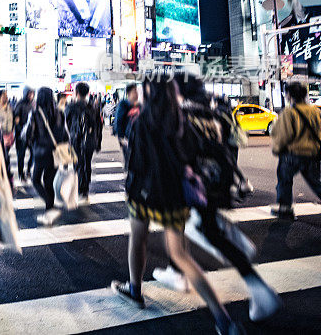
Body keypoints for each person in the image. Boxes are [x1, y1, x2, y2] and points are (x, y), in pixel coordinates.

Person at [111, 79, 242, 335]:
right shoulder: (182, 122)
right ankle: (223, 318)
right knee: (181, 255)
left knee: (138, 240)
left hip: (144, 195)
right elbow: (192, 158)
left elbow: (135, 164)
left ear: (149, 92)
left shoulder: (141, 122)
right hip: (173, 198)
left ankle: (135, 290)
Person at [178, 75, 282, 322]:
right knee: (201, 227)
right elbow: (223, 148)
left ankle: (256, 284)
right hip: (216, 180)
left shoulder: (183, 114)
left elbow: (183, 150)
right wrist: (236, 178)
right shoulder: (210, 112)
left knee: (206, 230)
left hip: (198, 182)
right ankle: (180, 268)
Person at [270, 81, 321, 220]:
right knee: (316, 182)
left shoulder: (289, 112)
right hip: (313, 153)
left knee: (284, 180)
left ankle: (285, 209)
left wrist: (277, 149)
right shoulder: (315, 111)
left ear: (289, 96)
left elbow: (282, 135)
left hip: (293, 154)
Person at [24, 87, 69, 225]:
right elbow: (65, 135)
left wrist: (32, 144)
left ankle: (50, 206)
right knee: (49, 182)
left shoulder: (35, 113)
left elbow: (28, 135)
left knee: (36, 180)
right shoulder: (60, 113)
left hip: (41, 152)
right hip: (56, 153)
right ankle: (49, 211)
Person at [66, 82, 102, 202]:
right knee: (87, 163)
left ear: (76, 92)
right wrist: (98, 143)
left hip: (75, 140)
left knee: (78, 165)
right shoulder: (93, 107)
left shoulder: (70, 107)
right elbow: (99, 126)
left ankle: (80, 189)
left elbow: (65, 126)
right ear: (87, 93)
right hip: (90, 140)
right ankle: (85, 189)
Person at [114, 83, 140, 166]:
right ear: (129, 93)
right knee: (130, 160)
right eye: (134, 91)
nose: (137, 93)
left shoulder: (139, 104)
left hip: (136, 138)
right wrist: (121, 137)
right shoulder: (124, 104)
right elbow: (119, 121)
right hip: (126, 137)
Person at [13, 87, 35, 181]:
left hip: (31, 135)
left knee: (34, 154)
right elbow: (16, 120)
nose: (31, 95)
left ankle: (29, 170)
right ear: (25, 93)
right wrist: (20, 131)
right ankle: (21, 174)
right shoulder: (20, 104)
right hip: (21, 135)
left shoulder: (33, 104)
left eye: (32, 94)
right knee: (20, 155)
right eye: (29, 94)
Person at [0, 90, 14, 174]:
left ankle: (3, 170)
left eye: (6, 96)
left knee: (6, 153)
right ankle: (1, 171)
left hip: (9, 134)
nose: (6, 98)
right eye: (4, 96)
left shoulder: (10, 108)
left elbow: (12, 120)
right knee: (1, 155)